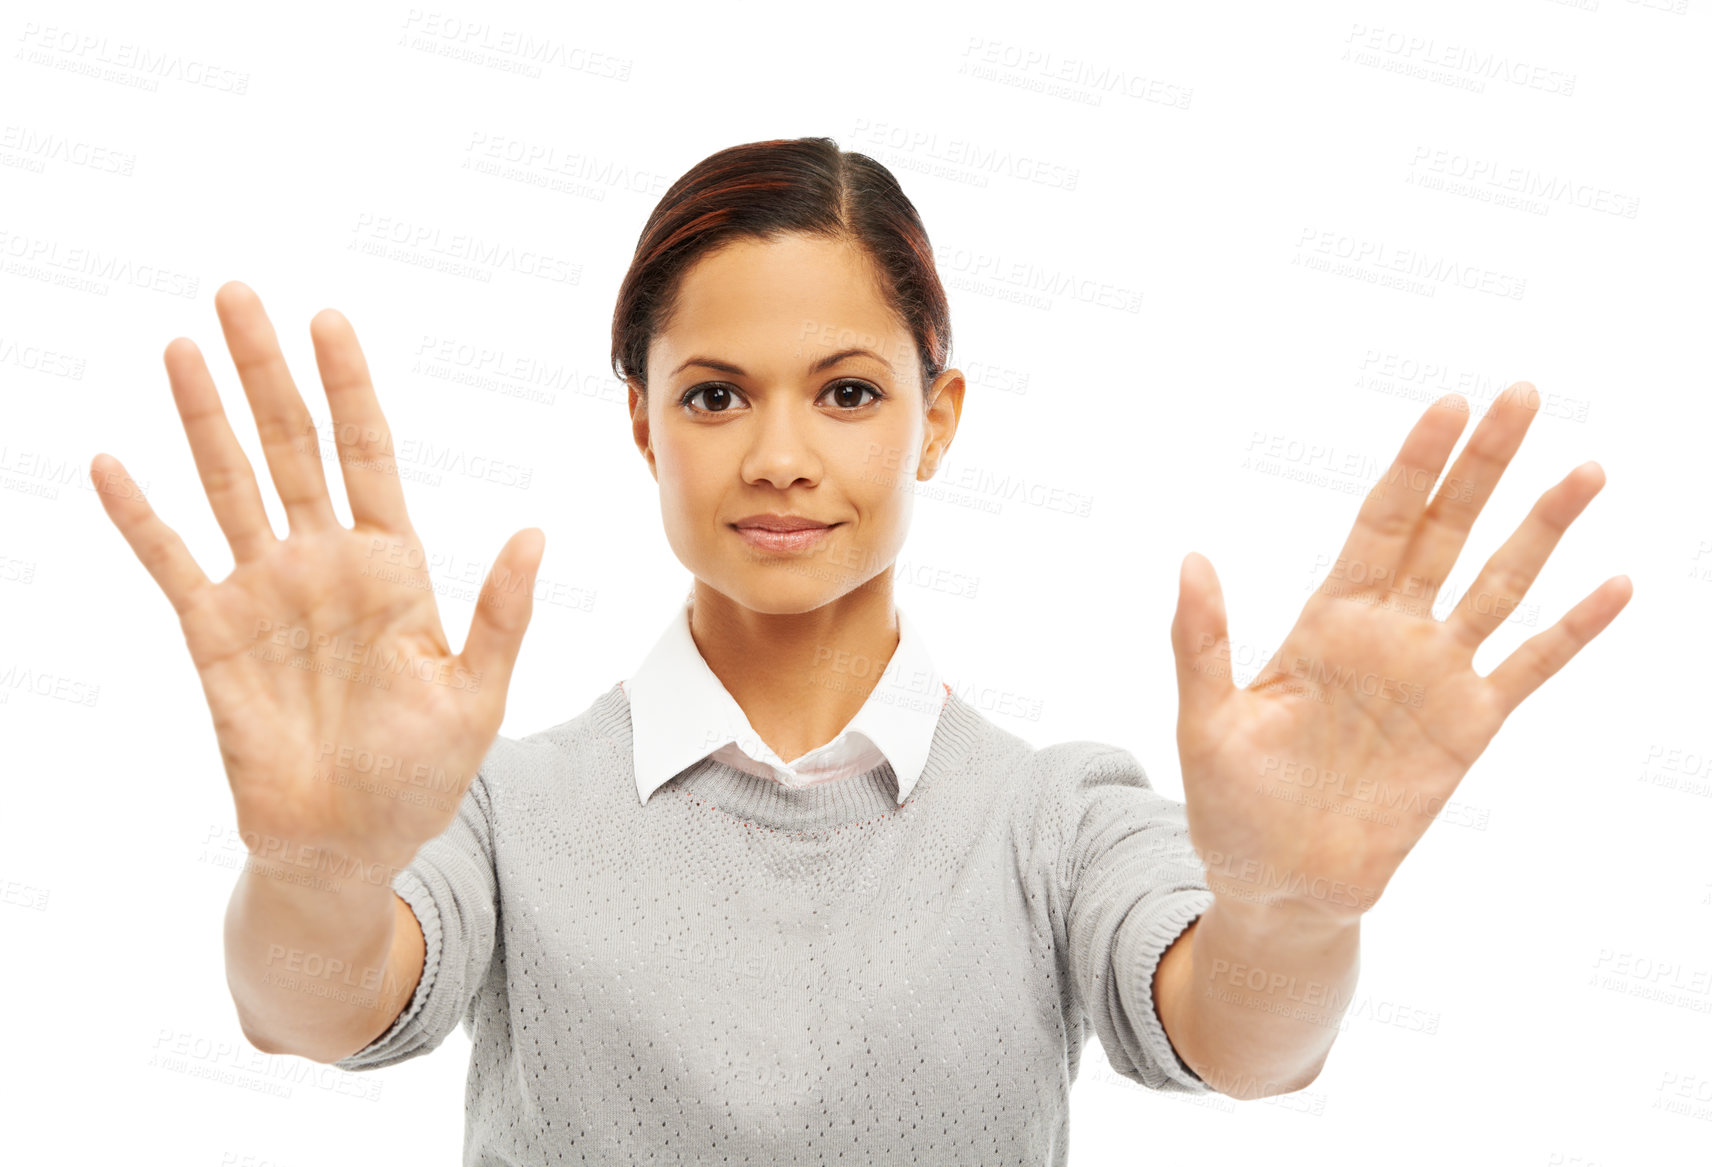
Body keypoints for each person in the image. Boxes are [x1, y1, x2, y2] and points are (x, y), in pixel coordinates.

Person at [89, 136, 1631, 1164]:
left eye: (845, 392)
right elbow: (316, 1010)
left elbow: (1234, 1038)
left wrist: (1292, 910)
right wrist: (313, 874)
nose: (776, 456)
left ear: (935, 420)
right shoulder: (500, 813)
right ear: (639, 421)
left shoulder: (1055, 819)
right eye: (711, 395)